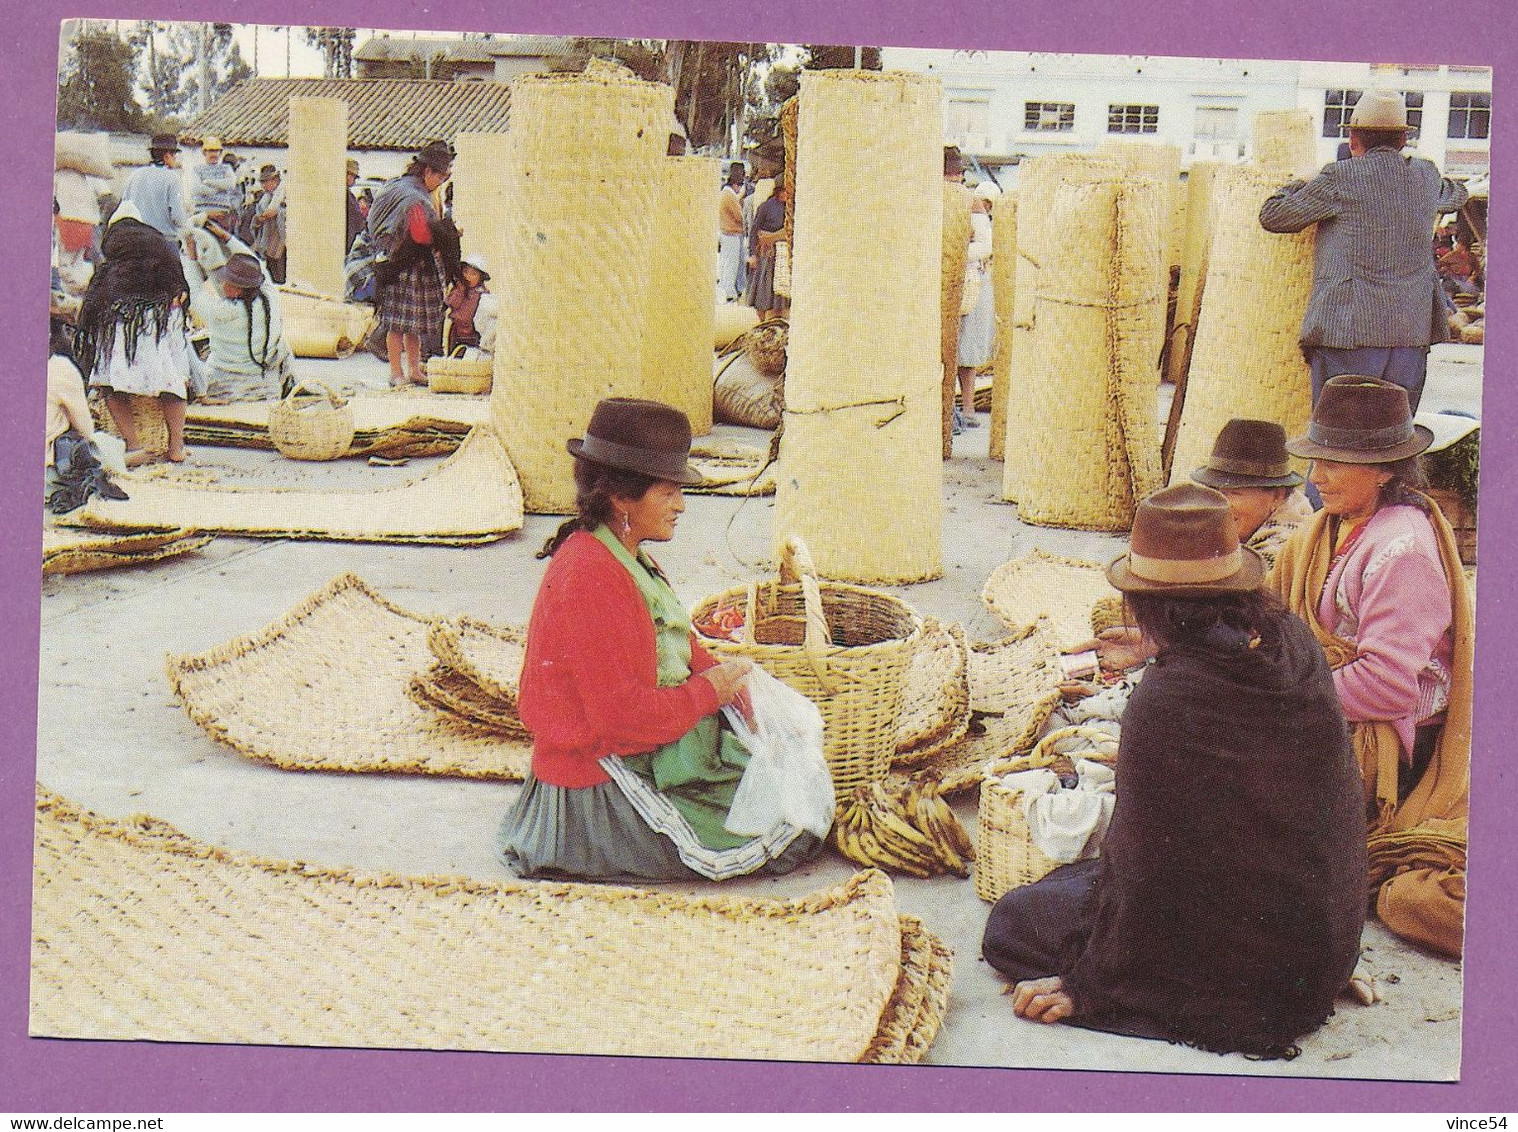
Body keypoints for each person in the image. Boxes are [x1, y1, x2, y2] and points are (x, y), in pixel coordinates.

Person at [983, 483, 1366, 1058]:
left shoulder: (1169, 698)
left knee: (1016, 921)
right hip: (1320, 943)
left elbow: (1143, 865)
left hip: (1250, 978)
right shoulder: (1291, 640)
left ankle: (1149, 986)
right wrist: (1153, 648)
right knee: (1071, 884)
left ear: (1152, 603)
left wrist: (1092, 986)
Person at [498, 398, 821, 883]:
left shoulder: (626, 554)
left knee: (789, 788)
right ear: (623, 497)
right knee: (793, 833)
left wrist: (730, 681)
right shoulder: (591, 574)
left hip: (628, 751)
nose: (681, 505)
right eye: (668, 492)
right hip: (594, 788)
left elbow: (676, 640)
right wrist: (709, 693)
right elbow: (622, 718)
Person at [1269, 375, 1472, 959]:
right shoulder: (1328, 526)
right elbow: (1277, 612)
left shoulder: (1402, 552)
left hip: (1389, 749)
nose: (1316, 477)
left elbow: (1383, 688)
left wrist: (1279, 695)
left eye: (1335, 463)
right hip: (1331, 705)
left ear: (1386, 470)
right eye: (1317, 460)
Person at [1258, 89, 1468, 414]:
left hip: (1348, 332)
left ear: (1354, 138)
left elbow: (1274, 216)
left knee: (1340, 441)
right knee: (1394, 442)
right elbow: (1457, 193)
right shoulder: (1427, 175)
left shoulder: (1339, 177)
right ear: (1402, 140)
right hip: (1410, 335)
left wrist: (1299, 182)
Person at [73, 202, 198, 465]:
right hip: (160, 322)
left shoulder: (113, 255)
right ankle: (176, 447)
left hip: (122, 325)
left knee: (109, 385)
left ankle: (133, 445)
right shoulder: (163, 249)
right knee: (171, 383)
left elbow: (94, 303)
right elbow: (181, 290)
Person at [363, 140, 454, 388]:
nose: (441, 182)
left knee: (413, 324)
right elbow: (421, 235)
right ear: (428, 172)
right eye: (441, 176)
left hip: (409, 260)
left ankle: (414, 369)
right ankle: (396, 372)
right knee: (397, 323)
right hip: (402, 264)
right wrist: (447, 235)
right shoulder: (414, 198)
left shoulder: (404, 187)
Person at [1190, 418, 1313, 569]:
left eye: (1233, 493)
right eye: (1214, 491)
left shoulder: (1280, 554)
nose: (1219, 505)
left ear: (1277, 496)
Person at [189, 251, 295, 403]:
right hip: (268, 390)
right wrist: (227, 238)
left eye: (227, 281)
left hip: (225, 391)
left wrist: (191, 258)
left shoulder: (220, 312)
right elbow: (258, 266)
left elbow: (195, 292)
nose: (222, 283)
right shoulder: (270, 299)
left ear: (237, 290)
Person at [956, 180, 999, 429]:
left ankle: (969, 406)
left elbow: (984, 248)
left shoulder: (979, 215)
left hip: (971, 284)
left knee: (968, 349)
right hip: (963, 280)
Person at [120, 133, 188, 245]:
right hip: (163, 241)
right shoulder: (173, 178)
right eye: (174, 156)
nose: (175, 159)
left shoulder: (134, 175)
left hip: (136, 240)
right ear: (167, 156)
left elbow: (124, 208)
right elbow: (177, 217)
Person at [743, 176, 789, 321]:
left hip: (781, 255)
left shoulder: (791, 207)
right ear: (778, 191)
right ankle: (762, 321)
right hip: (766, 256)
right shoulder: (766, 207)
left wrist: (774, 236)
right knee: (763, 293)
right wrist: (752, 254)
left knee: (780, 298)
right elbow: (754, 231)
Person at [443, 253, 495, 352]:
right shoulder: (459, 289)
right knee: (454, 354)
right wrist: (460, 290)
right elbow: (452, 303)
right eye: (465, 272)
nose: (468, 277)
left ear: (481, 277)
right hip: (456, 330)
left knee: (469, 356)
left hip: (473, 332)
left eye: (473, 274)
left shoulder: (482, 293)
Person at [188, 137, 241, 227]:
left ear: (220, 153)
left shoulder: (226, 168)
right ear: (205, 152)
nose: (214, 154)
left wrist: (208, 182)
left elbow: (231, 184)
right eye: (211, 151)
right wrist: (220, 187)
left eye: (216, 151)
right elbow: (196, 189)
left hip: (222, 214)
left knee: (222, 239)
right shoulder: (197, 169)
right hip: (202, 214)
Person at [251, 165, 287, 284]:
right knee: (270, 264)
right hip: (269, 235)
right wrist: (260, 218)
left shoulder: (284, 193)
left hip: (282, 235)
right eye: (262, 182)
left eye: (266, 182)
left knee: (279, 265)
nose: (263, 185)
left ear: (276, 181)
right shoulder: (265, 197)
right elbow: (261, 214)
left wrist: (278, 212)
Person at [717, 162, 747, 302]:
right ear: (736, 185)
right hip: (732, 233)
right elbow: (739, 216)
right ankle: (729, 291)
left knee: (726, 263)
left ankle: (726, 289)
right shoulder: (730, 196)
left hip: (725, 232)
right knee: (732, 264)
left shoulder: (724, 194)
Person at [344, 158, 366, 256]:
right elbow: (357, 220)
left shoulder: (348, 194)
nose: (354, 180)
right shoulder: (346, 195)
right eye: (353, 176)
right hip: (347, 244)